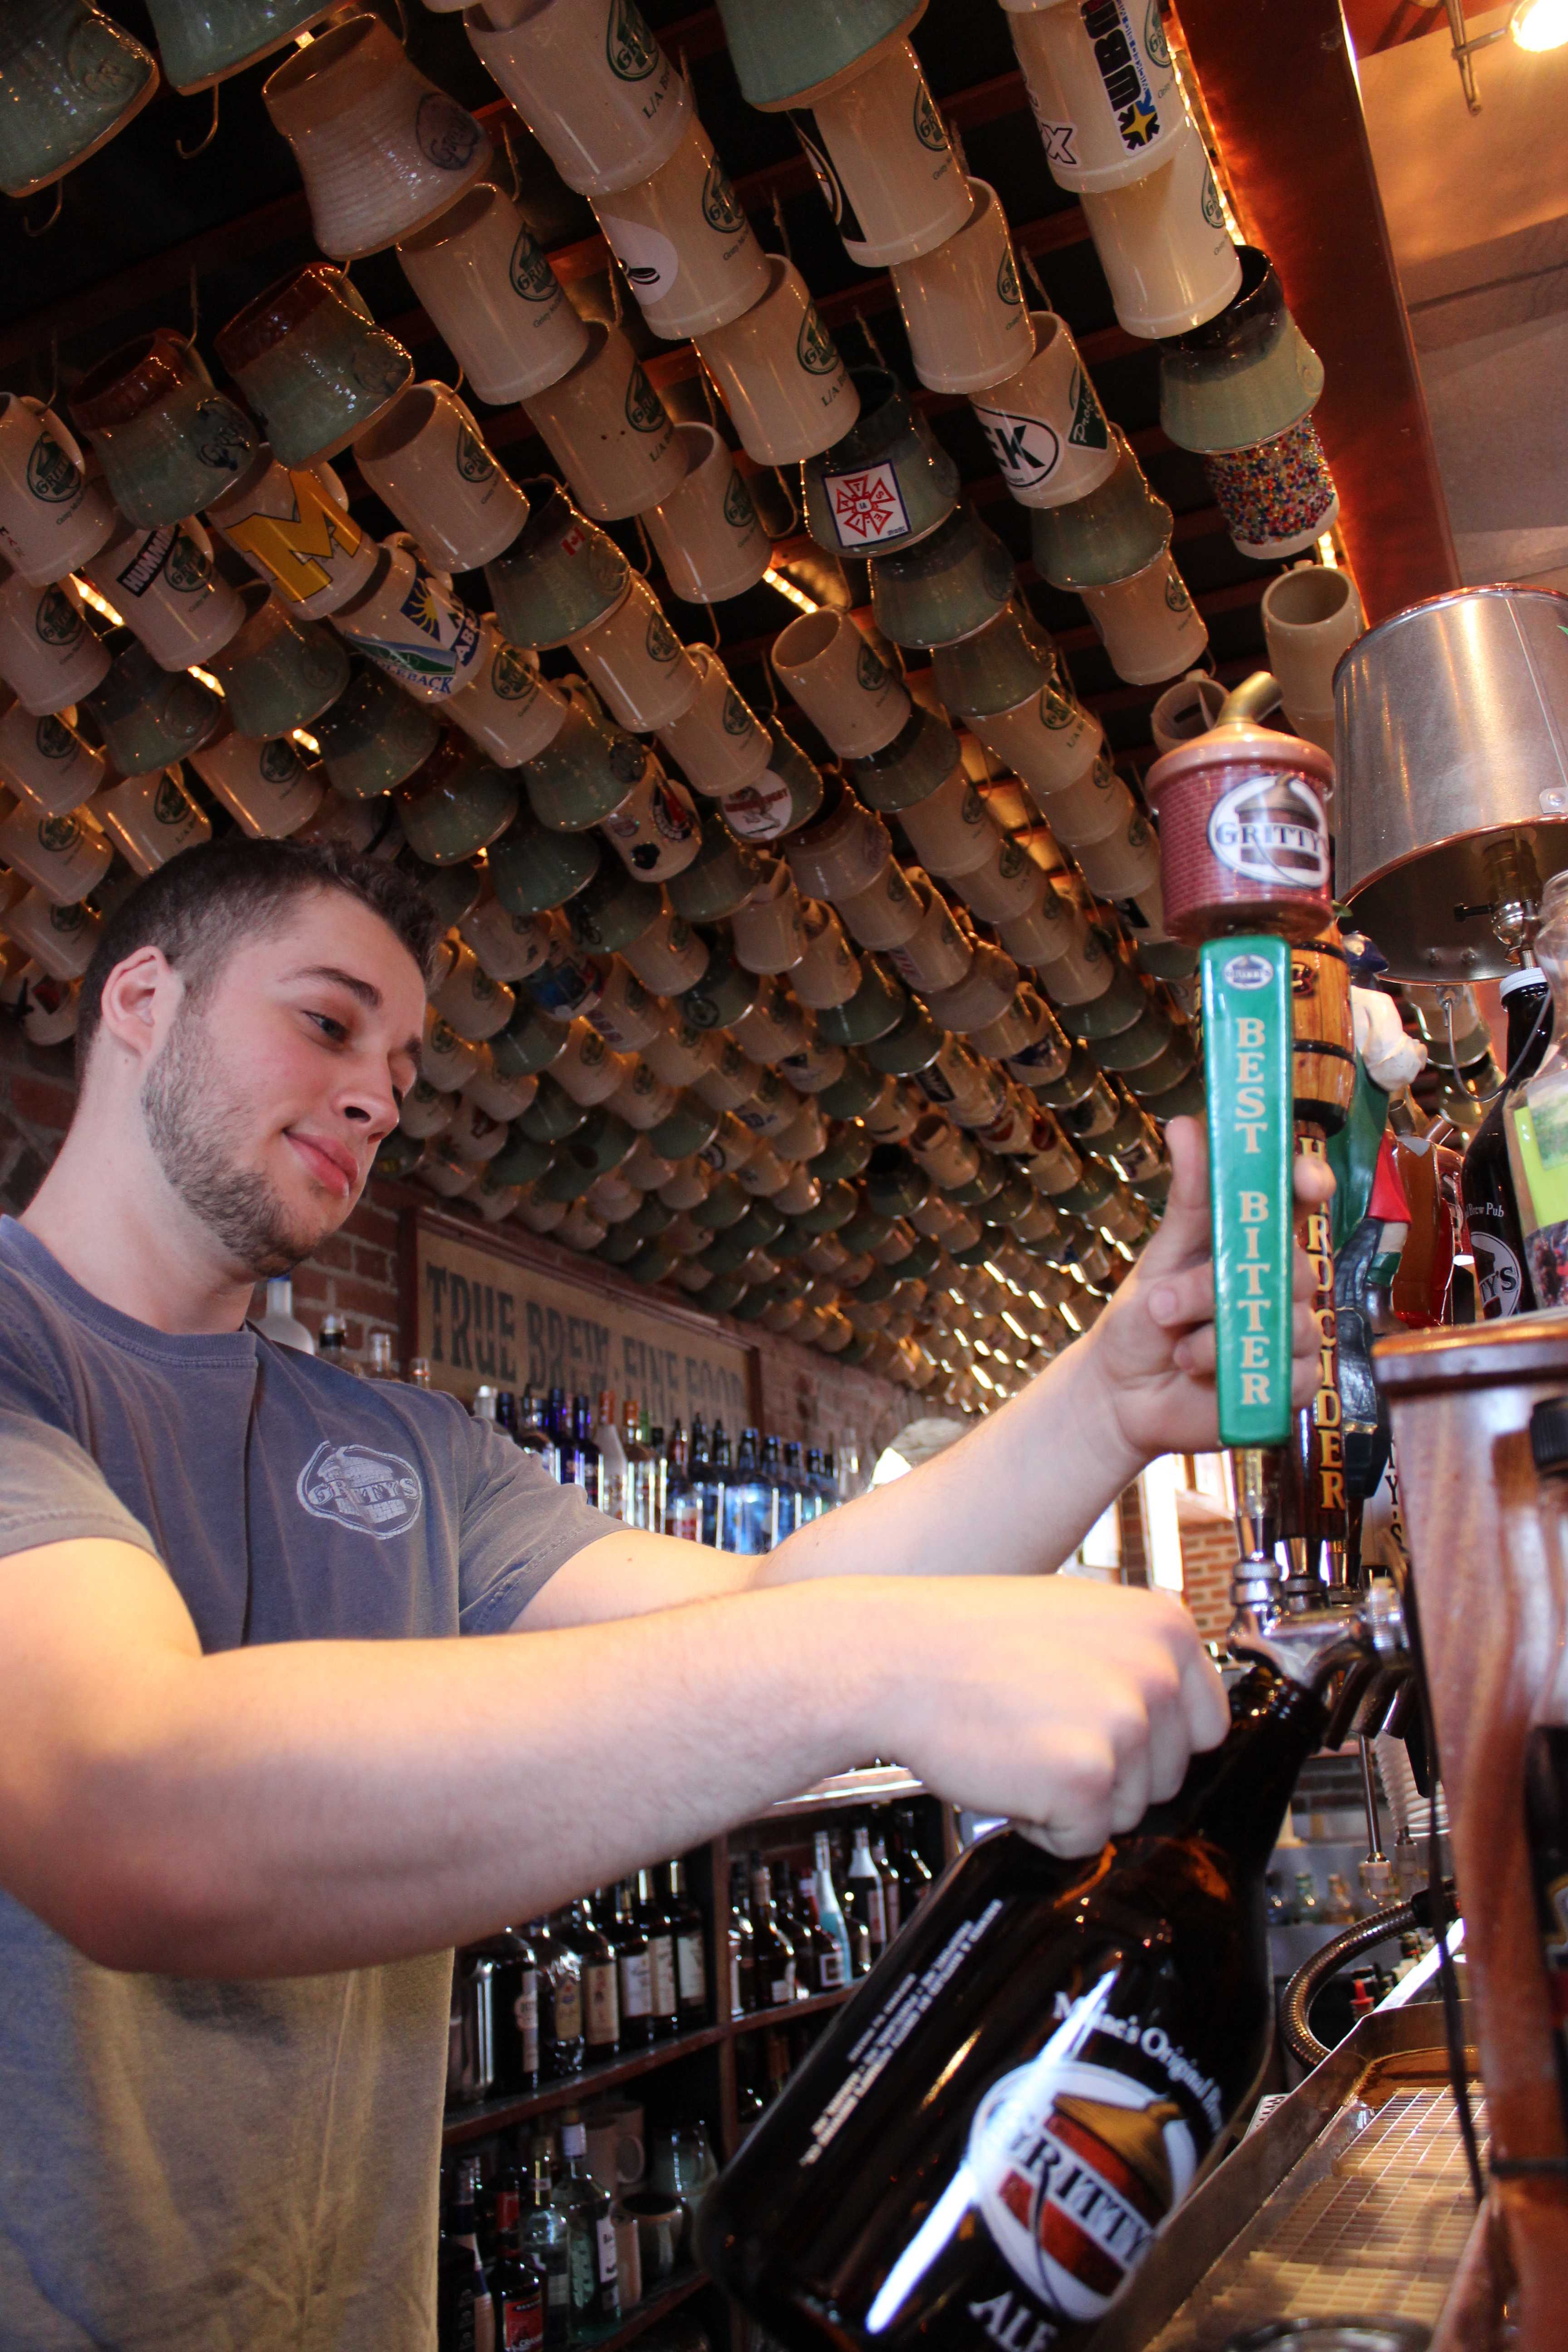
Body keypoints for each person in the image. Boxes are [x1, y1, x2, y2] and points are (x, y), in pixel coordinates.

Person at [0, 838, 1329, 2347]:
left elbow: (761, 1605)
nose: (379, 1099)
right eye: (327, 1023)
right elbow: (124, 1804)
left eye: (402, 1068)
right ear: (142, 1000)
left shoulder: (405, 1450)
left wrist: (1104, 1406)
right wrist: (871, 1662)